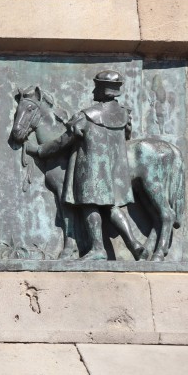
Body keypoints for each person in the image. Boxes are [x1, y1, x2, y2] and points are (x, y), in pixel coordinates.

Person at [28, 70, 146, 260]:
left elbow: (63, 141)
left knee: (88, 206)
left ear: (102, 89)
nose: (93, 91)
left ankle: (98, 249)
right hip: (114, 170)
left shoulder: (87, 116)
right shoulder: (124, 116)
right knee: (112, 208)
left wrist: (39, 150)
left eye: (96, 87)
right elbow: (126, 137)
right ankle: (133, 243)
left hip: (90, 169)